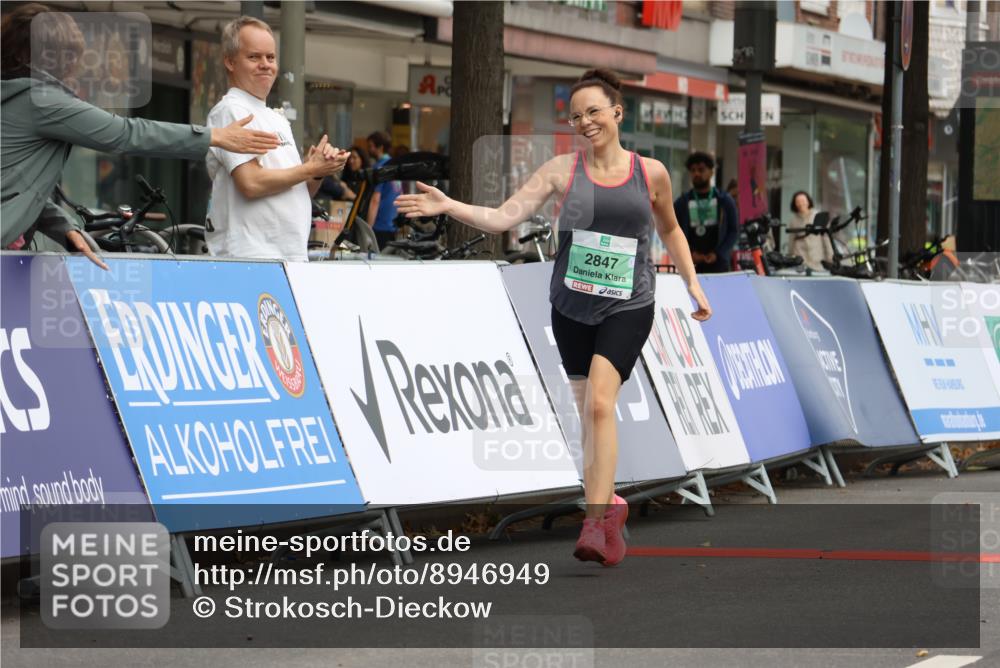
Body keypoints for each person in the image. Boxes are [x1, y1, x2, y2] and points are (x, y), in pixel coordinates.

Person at [396, 68, 711, 567]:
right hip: (571, 306)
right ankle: (611, 508)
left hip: (629, 302)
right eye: (575, 115)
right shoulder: (562, 170)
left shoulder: (650, 172)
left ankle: (592, 520)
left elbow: (670, 230)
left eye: (594, 111)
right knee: (588, 417)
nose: (585, 121)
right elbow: (502, 218)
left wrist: (692, 280)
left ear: (617, 113)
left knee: (603, 405)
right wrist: (448, 203)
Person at [0, 4, 281, 267]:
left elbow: (16, 186)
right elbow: (125, 133)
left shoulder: (17, 98)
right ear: (33, 56)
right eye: (68, 56)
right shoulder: (42, 101)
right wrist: (212, 136)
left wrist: (64, 227)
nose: (75, 66)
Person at [206, 16, 349, 262]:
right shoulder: (231, 109)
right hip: (250, 256)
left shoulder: (275, 118)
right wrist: (308, 169)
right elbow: (251, 184)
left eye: (270, 57)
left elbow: (296, 191)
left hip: (288, 256)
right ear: (230, 61)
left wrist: (317, 171)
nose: (265, 64)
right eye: (254, 57)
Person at [673, 152, 738, 273]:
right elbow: (673, 231)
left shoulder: (725, 200)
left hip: (719, 265)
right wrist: (689, 254)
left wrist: (718, 254)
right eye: (693, 170)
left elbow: (733, 231)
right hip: (690, 265)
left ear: (711, 172)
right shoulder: (681, 203)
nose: (696, 173)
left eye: (701, 169)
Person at [366, 131, 402, 250]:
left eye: (371, 146)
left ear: (380, 147)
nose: (368, 149)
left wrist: (368, 229)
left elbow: (375, 200)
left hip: (380, 224)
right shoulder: (395, 165)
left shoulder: (380, 168)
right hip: (393, 223)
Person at [787, 190, 833, 272]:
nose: (801, 204)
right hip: (801, 260)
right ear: (794, 204)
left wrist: (830, 257)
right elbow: (791, 240)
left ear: (808, 202)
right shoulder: (793, 221)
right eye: (798, 201)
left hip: (817, 260)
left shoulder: (818, 216)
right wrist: (790, 258)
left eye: (803, 201)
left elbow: (826, 238)